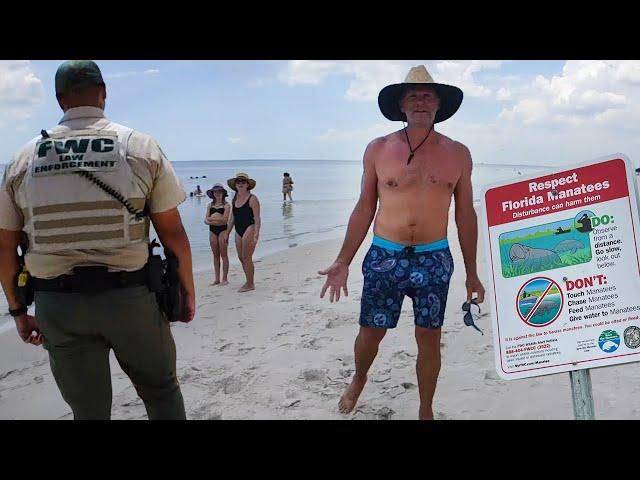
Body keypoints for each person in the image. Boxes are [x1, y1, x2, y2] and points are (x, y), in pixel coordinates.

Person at [0, 60, 196, 420]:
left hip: (57, 304)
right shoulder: (138, 146)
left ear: (59, 101)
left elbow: (4, 247)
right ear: (103, 93)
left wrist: (17, 310)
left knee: (88, 411)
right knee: (161, 392)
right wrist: (186, 292)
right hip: (131, 299)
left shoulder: (21, 160)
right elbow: (173, 234)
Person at [318, 65, 485, 420]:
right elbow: (365, 206)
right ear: (402, 104)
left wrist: (472, 272)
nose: (421, 101)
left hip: (434, 258)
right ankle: (359, 377)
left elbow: (465, 215)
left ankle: (426, 408)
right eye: (414, 95)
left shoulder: (458, 153)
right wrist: (343, 259)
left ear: (439, 104)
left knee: (428, 335)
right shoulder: (379, 149)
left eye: (428, 95)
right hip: (385, 256)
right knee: (371, 331)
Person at [224, 172, 261, 292]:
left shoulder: (252, 198)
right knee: (241, 257)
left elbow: (257, 218)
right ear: (235, 184)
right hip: (238, 229)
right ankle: (248, 280)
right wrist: (227, 233)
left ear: (247, 185)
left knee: (247, 257)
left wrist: (256, 234)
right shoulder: (234, 198)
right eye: (238, 182)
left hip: (250, 227)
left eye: (243, 182)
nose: (240, 183)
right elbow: (232, 218)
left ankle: (250, 284)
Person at [205, 183, 230, 285]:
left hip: (223, 230)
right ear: (213, 193)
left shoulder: (227, 205)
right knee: (215, 255)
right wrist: (215, 219)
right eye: (216, 192)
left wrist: (212, 219)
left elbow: (225, 220)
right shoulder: (210, 205)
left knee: (224, 255)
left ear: (223, 193)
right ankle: (216, 279)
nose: (218, 193)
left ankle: (224, 278)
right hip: (212, 231)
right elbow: (206, 220)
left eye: (219, 191)